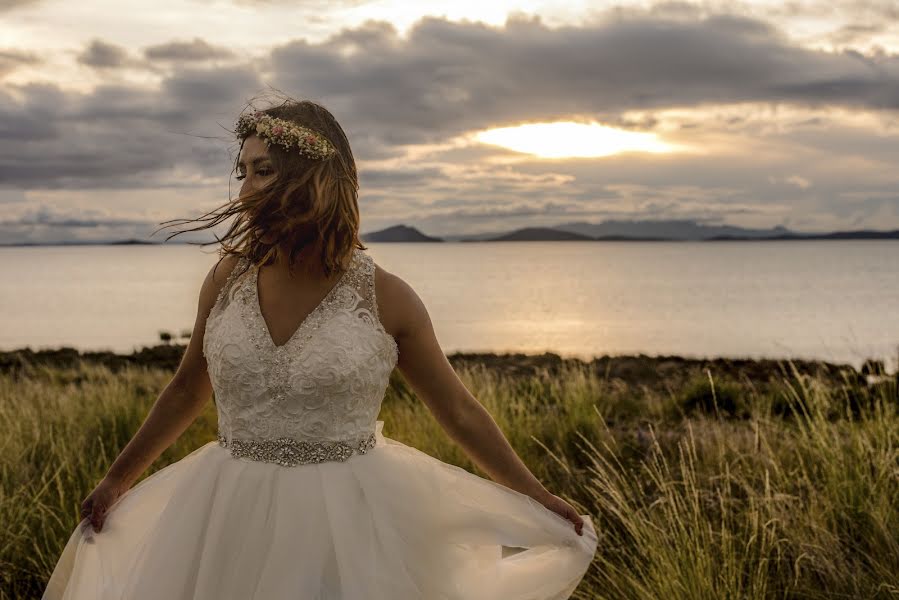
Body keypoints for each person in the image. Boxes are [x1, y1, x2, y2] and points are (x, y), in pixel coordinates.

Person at [41, 96, 598, 599]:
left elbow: (455, 408)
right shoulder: (226, 280)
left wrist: (533, 494)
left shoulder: (388, 297)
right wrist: (118, 479)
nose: (246, 189)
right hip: (223, 512)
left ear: (314, 177)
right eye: (245, 172)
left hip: (352, 523)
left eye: (264, 171)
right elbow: (188, 386)